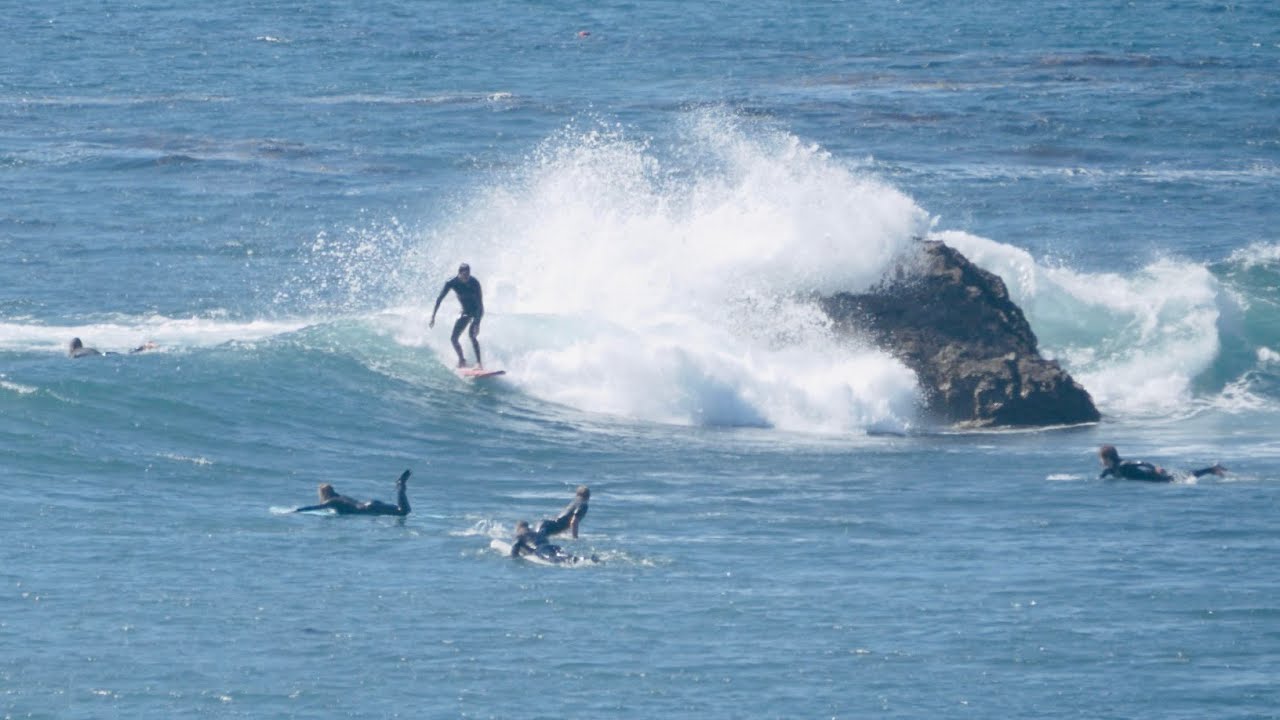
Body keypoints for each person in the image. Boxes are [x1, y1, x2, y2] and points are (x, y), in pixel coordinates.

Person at [429, 263, 485, 368]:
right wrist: (433, 316)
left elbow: (480, 304)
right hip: (465, 311)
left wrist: (477, 323)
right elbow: (440, 299)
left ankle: (479, 363)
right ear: (459, 273)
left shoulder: (474, 283)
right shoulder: (451, 282)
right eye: (464, 275)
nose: (466, 277)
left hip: (477, 310)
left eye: (468, 275)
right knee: (454, 338)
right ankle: (462, 360)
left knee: (472, 335)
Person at [294, 470, 412, 516]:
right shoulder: (340, 497)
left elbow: (314, 507)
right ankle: (400, 486)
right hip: (370, 505)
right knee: (404, 510)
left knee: (403, 512)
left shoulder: (332, 501)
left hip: (368, 509)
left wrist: (296, 511)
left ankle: (400, 485)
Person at [1097, 445, 1225, 482]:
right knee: (1185, 476)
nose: (1100, 461)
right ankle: (1212, 470)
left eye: (1101, 458)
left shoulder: (1123, 464)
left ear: (1108, 458)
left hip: (1155, 476)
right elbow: (1102, 476)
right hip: (1152, 479)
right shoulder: (1110, 470)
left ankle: (1212, 469)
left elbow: (1141, 462)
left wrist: (1155, 467)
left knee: (1187, 477)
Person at [68, 338, 158, 358]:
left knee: (127, 354)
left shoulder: (74, 353)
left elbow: (75, 356)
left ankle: (144, 347)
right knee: (126, 354)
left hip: (100, 356)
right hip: (103, 354)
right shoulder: (85, 348)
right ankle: (144, 347)